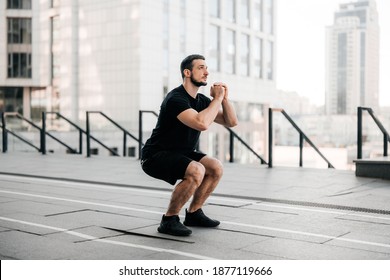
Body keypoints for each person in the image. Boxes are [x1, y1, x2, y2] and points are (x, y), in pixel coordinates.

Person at [141, 54, 238, 236]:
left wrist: (224, 98)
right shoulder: (175, 99)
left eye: (206, 68)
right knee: (197, 170)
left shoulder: (201, 101)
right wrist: (216, 100)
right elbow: (201, 123)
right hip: (154, 156)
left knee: (215, 167)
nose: (206, 72)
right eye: (201, 68)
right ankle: (169, 220)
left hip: (182, 152)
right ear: (187, 72)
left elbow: (231, 121)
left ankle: (194, 213)